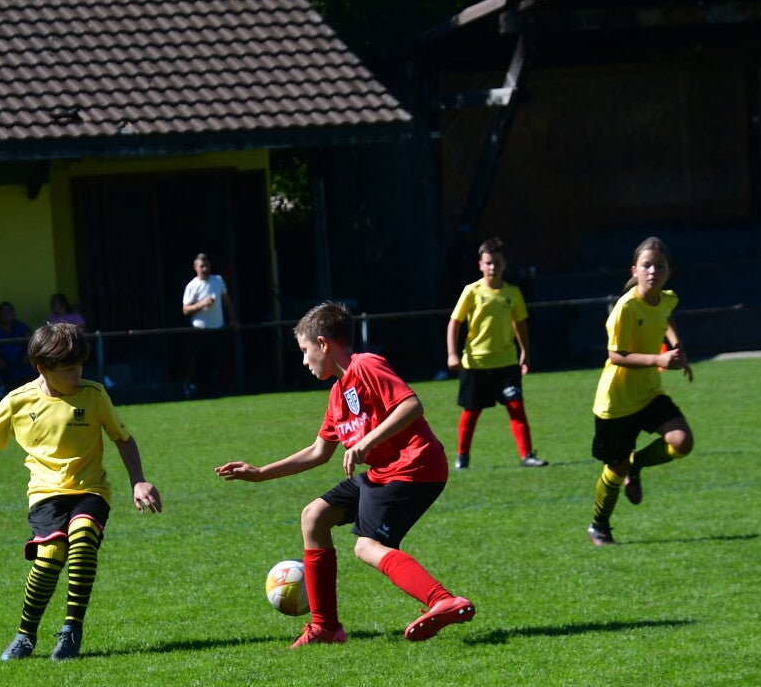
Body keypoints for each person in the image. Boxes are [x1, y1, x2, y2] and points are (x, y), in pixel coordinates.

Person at [216, 302, 473, 648]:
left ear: (323, 344)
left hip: (415, 467)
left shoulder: (365, 365)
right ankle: (325, 628)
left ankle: (442, 600)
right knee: (314, 516)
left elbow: (411, 405)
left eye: (305, 350)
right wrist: (261, 473)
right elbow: (319, 452)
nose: (304, 361)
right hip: (383, 473)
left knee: (367, 547)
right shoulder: (337, 394)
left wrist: (366, 441)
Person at [0, 322, 161, 662]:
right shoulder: (18, 401)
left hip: (90, 489)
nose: (77, 375)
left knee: (83, 538)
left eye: (80, 366)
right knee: (49, 558)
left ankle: (71, 630)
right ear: (42, 368)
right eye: (68, 369)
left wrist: (138, 480)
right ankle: (25, 634)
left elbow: (123, 438)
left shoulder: (93, 395)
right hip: (46, 494)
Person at [588, 236, 695, 547]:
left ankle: (636, 465)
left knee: (682, 441)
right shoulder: (626, 307)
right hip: (617, 402)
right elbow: (615, 355)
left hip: (648, 394)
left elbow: (665, 316)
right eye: (647, 265)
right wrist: (658, 360)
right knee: (614, 469)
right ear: (634, 270)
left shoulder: (667, 299)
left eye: (659, 266)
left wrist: (678, 348)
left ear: (668, 271)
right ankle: (599, 525)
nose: (653, 271)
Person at [446, 237, 546, 470]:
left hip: (506, 363)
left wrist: (525, 352)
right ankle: (462, 456)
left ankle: (527, 455)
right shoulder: (471, 291)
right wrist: (452, 353)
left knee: (516, 407)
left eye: (497, 263)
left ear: (504, 264)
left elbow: (520, 325)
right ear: (480, 265)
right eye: (488, 263)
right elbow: (454, 322)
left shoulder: (513, 293)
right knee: (471, 412)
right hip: (476, 363)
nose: (493, 267)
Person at [180, 252, 230, 397]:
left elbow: (227, 302)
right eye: (202, 266)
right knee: (198, 360)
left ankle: (212, 388)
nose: (205, 269)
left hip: (218, 328)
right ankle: (190, 386)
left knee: (216, 360)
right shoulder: (192, 285)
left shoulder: (218, 280)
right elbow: (185, 309)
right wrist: (202, 304)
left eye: (207, 265)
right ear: (195, 267)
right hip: (200, 329)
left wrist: (233, 320)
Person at [0, 301, 35, 397]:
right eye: (3, 312)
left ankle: (29, 388)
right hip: (1, 358)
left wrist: (27, 355)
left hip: (20, 357)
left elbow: (32, 343)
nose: (6, 314)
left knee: (35, 357)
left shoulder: (22, 327)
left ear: (13, 313)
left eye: (8, 311)